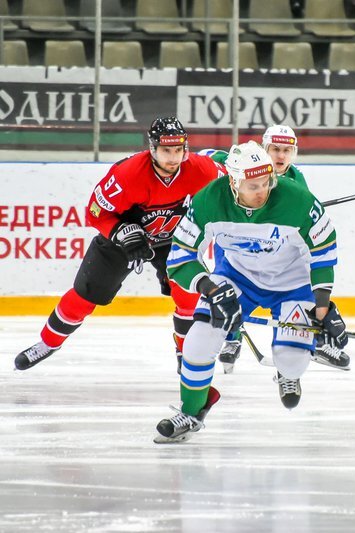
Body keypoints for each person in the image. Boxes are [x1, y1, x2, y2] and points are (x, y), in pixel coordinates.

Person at [154, 141, 347, 443]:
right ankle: (191, 412)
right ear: (233, 182)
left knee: (291, 360)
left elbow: (323, 252)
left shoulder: (297, 199)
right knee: (197, 343)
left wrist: (322, 305)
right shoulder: (209, 201)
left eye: (266, 182)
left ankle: (287, 371)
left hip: (292, 282)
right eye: (253, 185)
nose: (262, 191)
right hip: (237, 276)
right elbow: (179, 259)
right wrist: (211, 289)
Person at [14, 117, 231, 373]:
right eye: (166, 150)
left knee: (188, 296)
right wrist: (123, 232)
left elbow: (231, 184)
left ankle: (184, 353)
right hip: (123, 240)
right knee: (86, 294)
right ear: (152, 149)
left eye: (178, 150)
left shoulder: (202, 170)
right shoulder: (128, 174)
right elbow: (95, 213)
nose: (173, 157)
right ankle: (48, 343)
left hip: (173, 240)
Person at [199, 125, 349, 372]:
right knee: (227, 287)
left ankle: (311, 336)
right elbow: (205, 158)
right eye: (275, 149)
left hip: (269, 248)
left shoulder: (296, 180)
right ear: (263, 149)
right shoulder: (244, 162)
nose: (281, 156)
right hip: (234, 241)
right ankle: (231, 339)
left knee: (299, 278)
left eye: (287, 150)